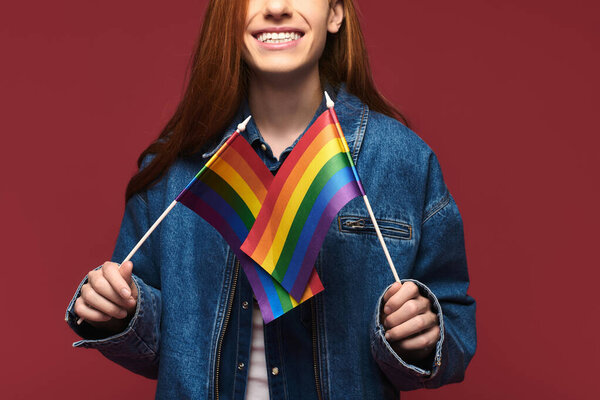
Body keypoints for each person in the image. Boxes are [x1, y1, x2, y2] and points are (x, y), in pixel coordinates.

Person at [65, 0, 476, 398]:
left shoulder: (404, 160)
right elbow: (156, 348)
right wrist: (119, 310)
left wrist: (422, 333)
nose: (276, 6)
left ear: (334, 13)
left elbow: (454, 328)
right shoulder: (173, 165)